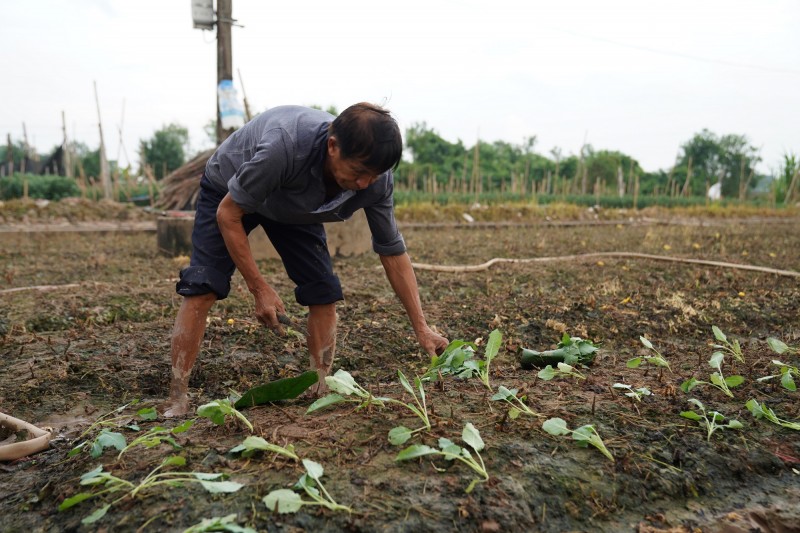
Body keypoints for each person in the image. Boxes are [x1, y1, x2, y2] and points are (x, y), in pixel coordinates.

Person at [164, 102, 449, 417]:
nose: (364, 185)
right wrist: (259, 288)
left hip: (297, 208)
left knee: (323, 291)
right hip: (229, 190)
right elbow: (228, 213)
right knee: (203, 285)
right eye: (358, 173)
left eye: (374, 175)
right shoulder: (285, 147)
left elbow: (392, 251)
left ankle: (320, 385)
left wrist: (421, 327)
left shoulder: (375, 180)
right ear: (332, 146)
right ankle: (177, 397)